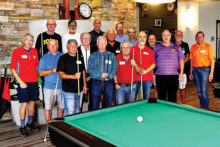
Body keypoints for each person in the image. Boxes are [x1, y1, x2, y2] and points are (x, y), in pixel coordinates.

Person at [10, 34, 40, 137]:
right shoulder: (17, 51)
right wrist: (20, 82)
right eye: (27, 40)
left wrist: (39, 78)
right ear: (23, 40)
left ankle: (29, 123)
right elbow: (13, 68)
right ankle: (22, 127)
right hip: (23, 83)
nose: (29, 42)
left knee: (32, 103)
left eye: (31, 40)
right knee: (24, 104)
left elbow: (37, 66)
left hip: (34, 82)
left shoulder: (35, 51)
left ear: (33, 41)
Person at [57, 39, 87, 115]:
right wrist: (73, 76)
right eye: (71, 45)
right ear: (67, 47)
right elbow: (61, 74)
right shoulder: (63, 58)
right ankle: (70, 127)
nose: (73, 47)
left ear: (77, 47)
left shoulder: (79, 57)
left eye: (75, 45)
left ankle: (75, 127)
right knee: (70, 112)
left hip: (79, 90)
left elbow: (83, 72)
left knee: (77, 111)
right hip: (68, 91)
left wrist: (84, 85)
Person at [154, 29, 185, 102]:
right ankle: (162, 112)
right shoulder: (156, 47)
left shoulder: (177, 47)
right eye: (164, 35)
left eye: (168, 35)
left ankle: (172, 113)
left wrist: (181, 74)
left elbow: (181, 61)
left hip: (173, 76)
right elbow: (153, 62)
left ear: (170, 36)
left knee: (173, 97)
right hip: (160, 76)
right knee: (161, 97)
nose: (166, 37)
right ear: (162, 36)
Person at [88, 36, 118, 110]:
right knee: (94, 105)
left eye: (103, 42)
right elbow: (90, 70)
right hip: (95, 83)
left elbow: (115, 68)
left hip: (109, 83)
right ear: (97, 44)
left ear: (106, 44)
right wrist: (100, 75)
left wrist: (109, 76)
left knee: (108, 105)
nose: (101, 44)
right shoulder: (92, 56)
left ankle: (107, 120)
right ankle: (94, 120)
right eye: (100, 43)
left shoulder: (111, 55)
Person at [38, 39, 64, 122]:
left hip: (62, 86)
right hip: (49, 87)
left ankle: (58, 125)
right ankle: (49, 127)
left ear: (58, 46)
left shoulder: (62, 56)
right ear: (48, 46)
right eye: (51, 45)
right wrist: (53, 70)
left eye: (54, 44)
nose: (53, 46)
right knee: (48, 108)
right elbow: (41, 73)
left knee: (61, 107)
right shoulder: (44, 58)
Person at [189, 31, 215, 109]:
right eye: (197, 37)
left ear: (203, 38)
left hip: (205, 70)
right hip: (196, 70)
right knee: (199, 91)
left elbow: (212, 61)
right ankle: (202, 107)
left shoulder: (208, 46)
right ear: (196, 38)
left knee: (204, 91)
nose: (199, 38)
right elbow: (192, 61)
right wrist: (191, 72)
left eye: (201, 37)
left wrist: (211, 73)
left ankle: (206, 108)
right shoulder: (193, 47)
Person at [132, 31, 156, 100]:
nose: (142, 39)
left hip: (147, 78)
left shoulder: (149, 50)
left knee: (146, 99)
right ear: (137, 38)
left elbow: (153, 64)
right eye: (140, 37)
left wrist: (146, 71)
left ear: (146, 38)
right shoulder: (132, 49)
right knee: (132, 99)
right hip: (135, 78)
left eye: (144, 37)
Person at [175, 30, 190, 104]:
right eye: (177, 35)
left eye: (180, 35)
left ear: (182, 36)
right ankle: (173, 103)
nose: (178, 36)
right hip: (173, 71)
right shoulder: (171, 44)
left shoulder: (185, 45)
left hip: (183, 71)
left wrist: (181, 64)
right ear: (175, 36)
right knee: (173, 88)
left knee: (182, 87)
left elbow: (187, 56)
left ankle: (183, 103)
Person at [78, 32, 92, 110]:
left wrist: (90, 75)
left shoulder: (94, 50)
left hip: (92, 78)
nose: (86, 40)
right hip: (80, 79)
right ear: (81, 40)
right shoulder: (76, 50)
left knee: (92, 101)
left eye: (88, 38)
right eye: (84, 38)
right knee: (80, 101)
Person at [147, 34, 158, 98]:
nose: (151, 40)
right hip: (148, 72)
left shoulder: (158, 48)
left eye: (153, 39)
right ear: (148, 40)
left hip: (157, 72)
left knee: (156, 88)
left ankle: (157, 101)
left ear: (155, 40)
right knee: (148, 89)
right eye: (150, 39)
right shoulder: (146, 49)